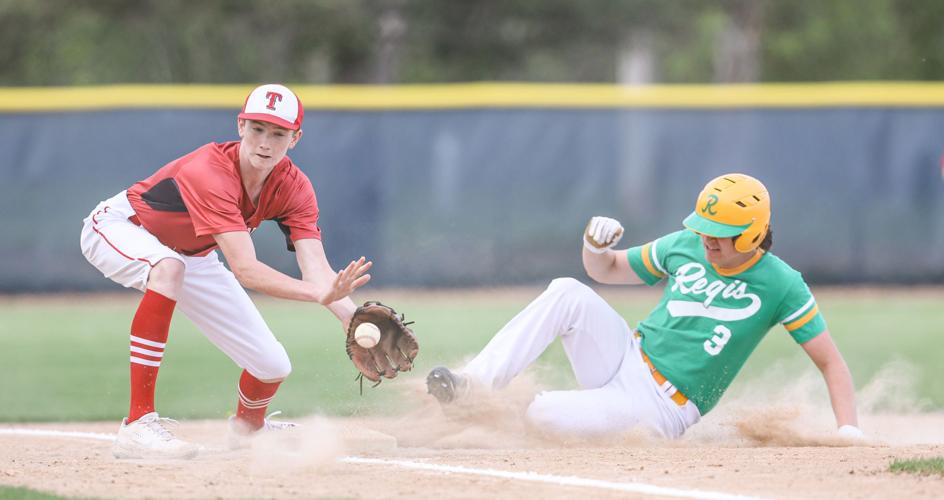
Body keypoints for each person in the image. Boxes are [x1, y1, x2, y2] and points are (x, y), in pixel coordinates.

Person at [427, 173, 863, 440]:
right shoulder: (686, 244)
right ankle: (473, 387)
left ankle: (499, 419)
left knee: (540, 414)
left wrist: (848, 431)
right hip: (626, 355)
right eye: (704, 227)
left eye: (718, 232)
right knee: (567, 291)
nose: (706, 238)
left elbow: (831, 363)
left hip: (660, 407)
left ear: (751, 234)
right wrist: (594, 247)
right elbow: (606, 270)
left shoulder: (782, 284)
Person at [80, 84, 372, 459]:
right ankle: (138, 424)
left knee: (271, 365)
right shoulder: (210, 171)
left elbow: (316, 268)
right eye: (257, 128)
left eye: (278, 133)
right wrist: (318, 295)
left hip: (194, 256)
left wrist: (350, 317)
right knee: (168, 268)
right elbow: (246, 270)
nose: (265, 142)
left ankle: (249, 430)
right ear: (240, 126)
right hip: (122, 227)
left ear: (295, 138)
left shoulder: (294, 187)